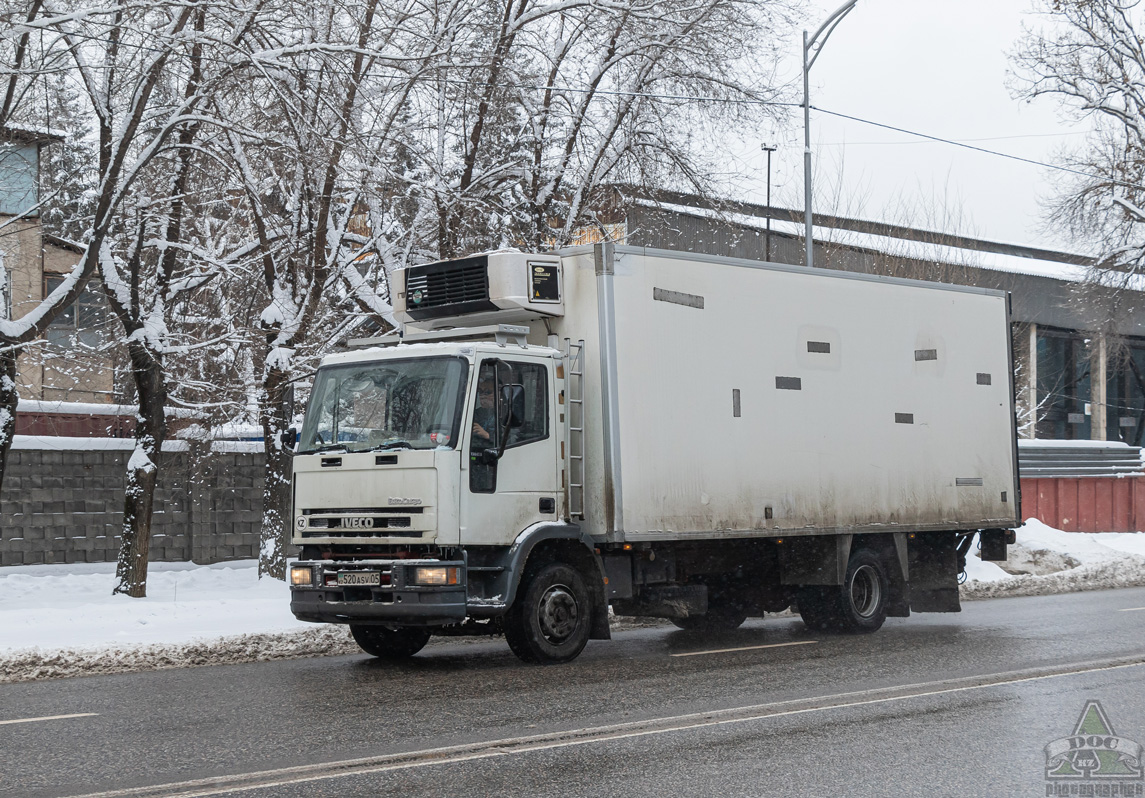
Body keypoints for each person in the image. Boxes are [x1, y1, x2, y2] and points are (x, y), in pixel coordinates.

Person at [472, 376, 497, 448]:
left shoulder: (507, 414)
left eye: (488, 392)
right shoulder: (475, 413)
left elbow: (511, 440)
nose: (482, 396)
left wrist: (487, 435)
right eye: (481, 392)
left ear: (499, 394)